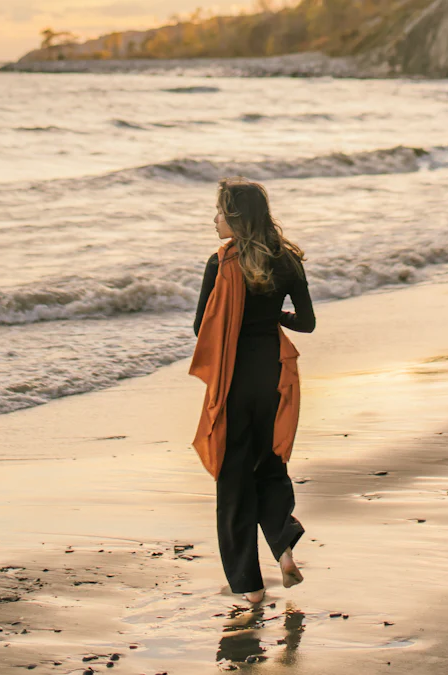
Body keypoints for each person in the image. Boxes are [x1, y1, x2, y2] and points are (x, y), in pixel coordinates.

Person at [190, 177, 316, 604]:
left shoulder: (222, 263)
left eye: (220, 212)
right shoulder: (289, 260)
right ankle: (282, 548)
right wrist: (272, 317)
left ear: (237, 217)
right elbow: (307, 322)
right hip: (274, 376)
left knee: (234, 481)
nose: (215, 220)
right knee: (271, 465)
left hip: (235, 379)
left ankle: (250, 587)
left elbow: (199, 328)